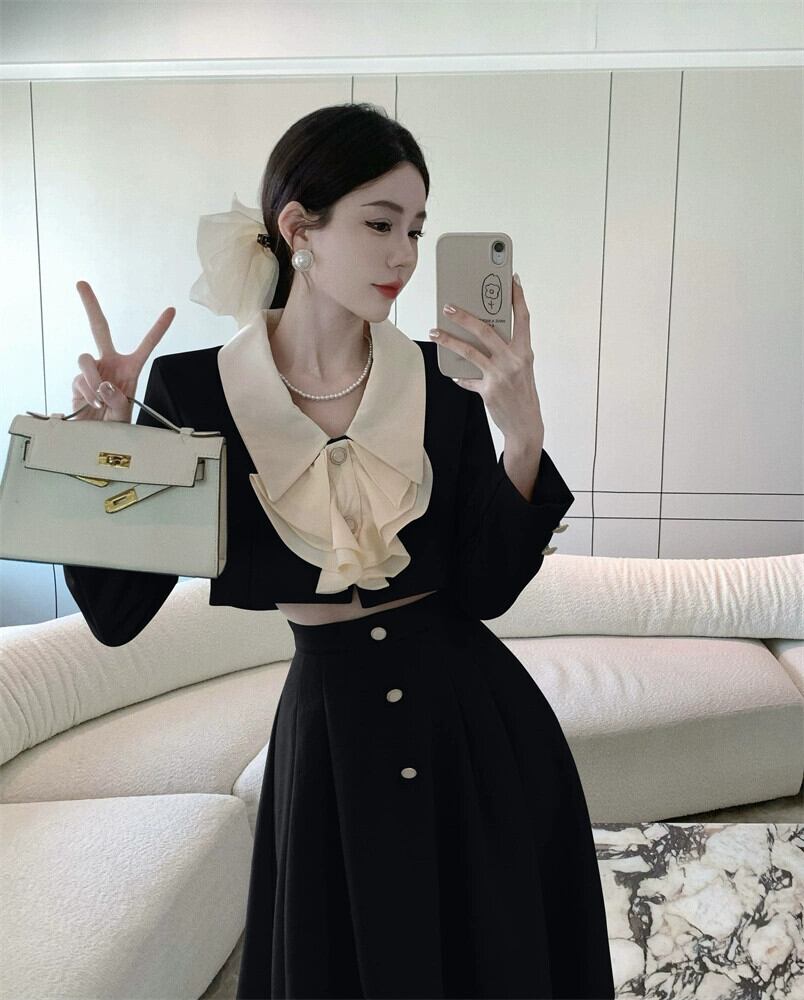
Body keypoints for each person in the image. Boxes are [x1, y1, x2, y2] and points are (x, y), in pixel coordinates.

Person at [63, 103, 615, 1000]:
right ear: (298, 228)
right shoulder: (194, 391)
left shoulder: (443, 378)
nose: (405, 255)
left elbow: (485, 590)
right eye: (380, 224)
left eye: (417, 229)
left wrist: (523, 439)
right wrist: (105, 452)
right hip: (329, 735)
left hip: (475, 726)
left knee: (497, 958)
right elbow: (115, 615)